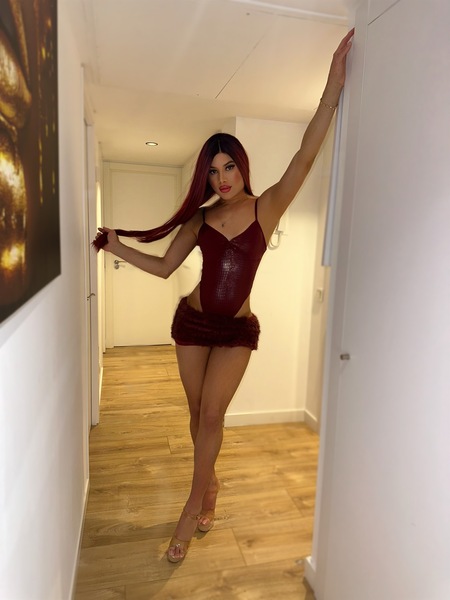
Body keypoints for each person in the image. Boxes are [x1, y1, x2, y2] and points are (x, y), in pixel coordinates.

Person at [93, 28, 354, 563]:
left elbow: (306, 154)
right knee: (196, 414)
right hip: (192, 325)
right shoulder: (201, 219)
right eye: (213, 172)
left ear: (241, 165)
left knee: (212, 415)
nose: (222, 178)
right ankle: (209, 485)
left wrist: (333, 83)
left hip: (235, 331)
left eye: (228, 166)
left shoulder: (269, 206)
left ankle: (192, 507)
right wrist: (117, 247)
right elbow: (164, 268)